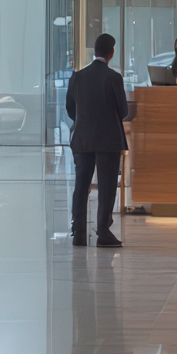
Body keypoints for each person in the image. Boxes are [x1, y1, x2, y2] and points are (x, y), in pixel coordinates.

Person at [66, 32, 129, 247]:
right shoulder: (114, 78)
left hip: (82, 139)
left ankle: (79, 233)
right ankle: (103, 232)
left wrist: (84, 121)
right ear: (111, 53)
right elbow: (123, 111)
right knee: (107, 185)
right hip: (108, 139)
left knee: (81, 185)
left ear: (95, 52)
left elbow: (70, 108)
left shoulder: (77, 77)